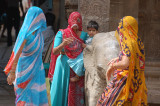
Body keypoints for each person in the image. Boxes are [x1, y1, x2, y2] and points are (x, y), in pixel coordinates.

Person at [97, 16, 148, 106]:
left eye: (121, 26)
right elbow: (133, 57)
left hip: (123, 82)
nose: (119, 28)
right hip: (134, 81)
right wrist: (118, 58)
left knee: (105, 102)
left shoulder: (127, 42)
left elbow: (125, 63)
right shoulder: (137, 42)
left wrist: (112, 66)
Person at [3, 7, 49, 105]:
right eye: (39, 16)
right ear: (34, 18)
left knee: (36, 97)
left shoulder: (39, 34)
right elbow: (17, 53)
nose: (42, 19)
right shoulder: (25, 34)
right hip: (24, 72)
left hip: (37, 72)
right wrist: (12, 72)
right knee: (24, 100)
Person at [50, 12, 88, 106]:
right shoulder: (62, 33)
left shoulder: (84, 35)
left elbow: (89, 50)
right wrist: (63, 44)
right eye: (74, 21)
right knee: (62, 90)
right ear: (70, 21)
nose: (75, 25)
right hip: (64, 66)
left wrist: (86, 46)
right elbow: (54, 51)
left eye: (78, 21)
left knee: (76, 94)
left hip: (78, 68)